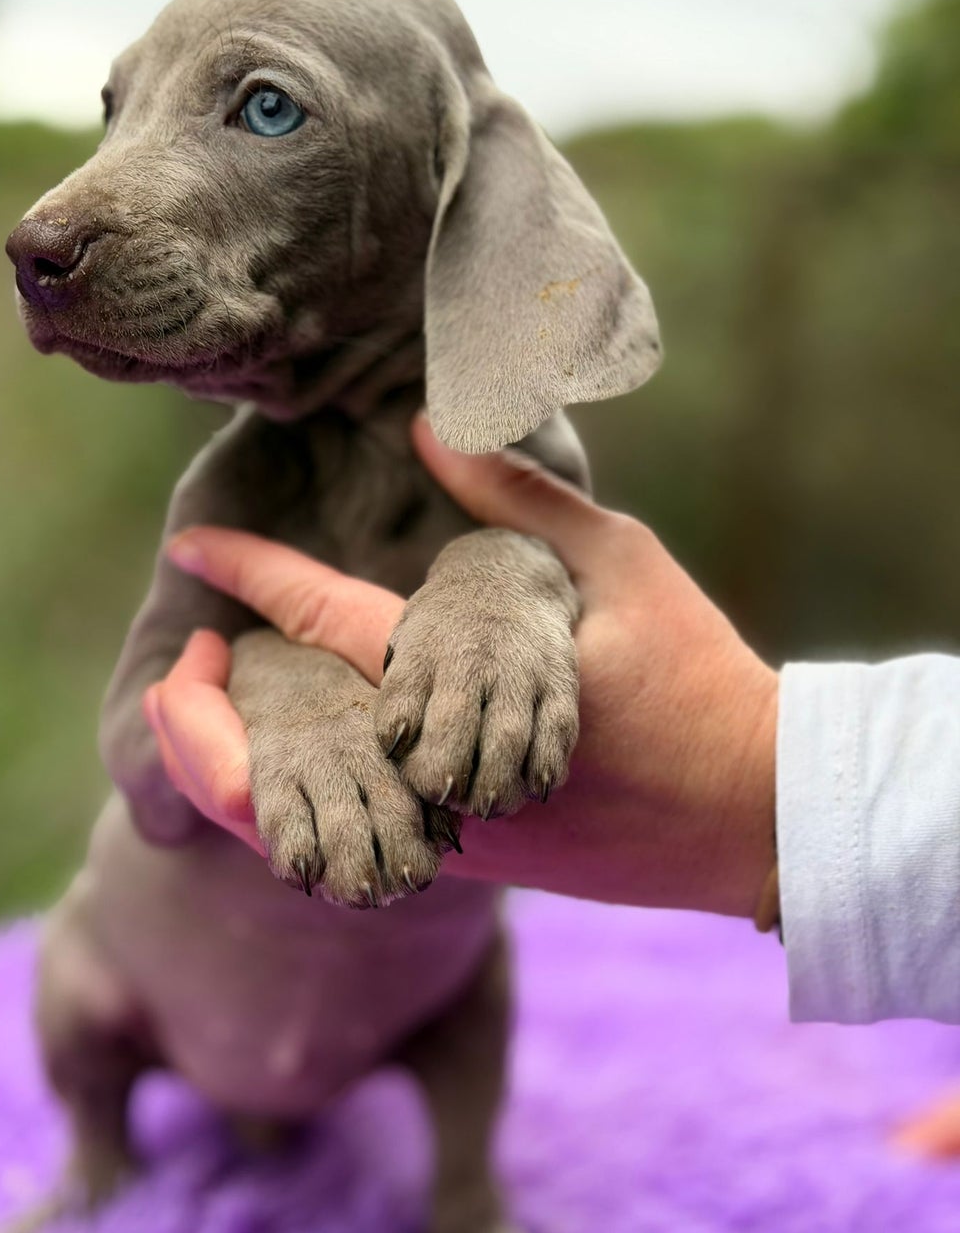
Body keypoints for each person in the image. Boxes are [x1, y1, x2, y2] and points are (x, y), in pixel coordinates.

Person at [143, 413, 960, 1044]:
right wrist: (296, 693)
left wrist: (750, 768)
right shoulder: (246, 474)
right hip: (176, 983)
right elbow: (143, 768)